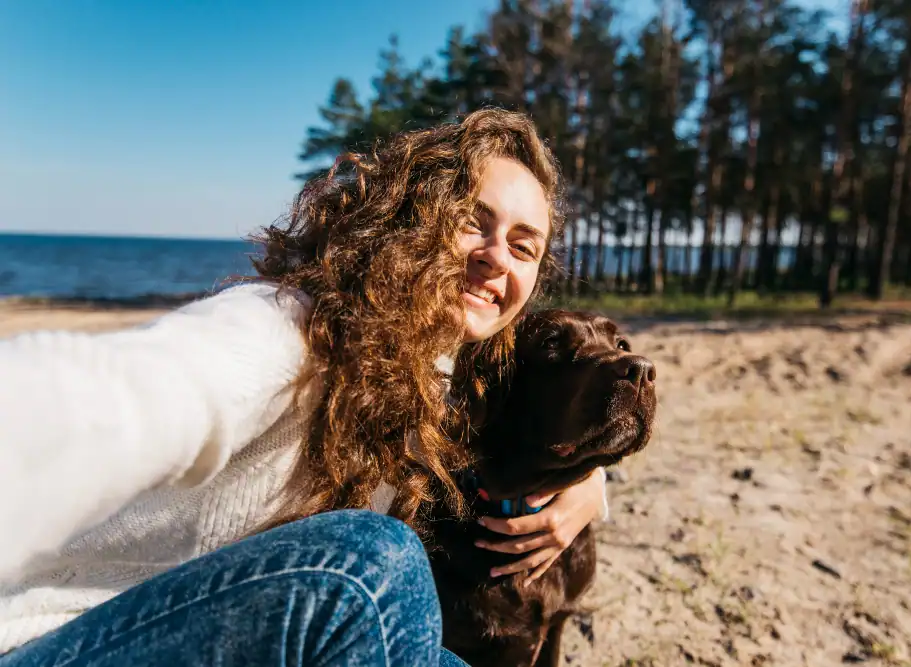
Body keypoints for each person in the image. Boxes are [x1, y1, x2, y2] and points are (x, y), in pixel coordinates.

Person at [0, 109, 610, 666]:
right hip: (55, 641)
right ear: (410, 214)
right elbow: (131, 392)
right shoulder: (288, 330)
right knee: (370, 565)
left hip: (230, 637)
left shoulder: (434, 385)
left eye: (524, 246)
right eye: (472, 223)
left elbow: (530, 418)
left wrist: (588, 484)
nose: (497, 257)